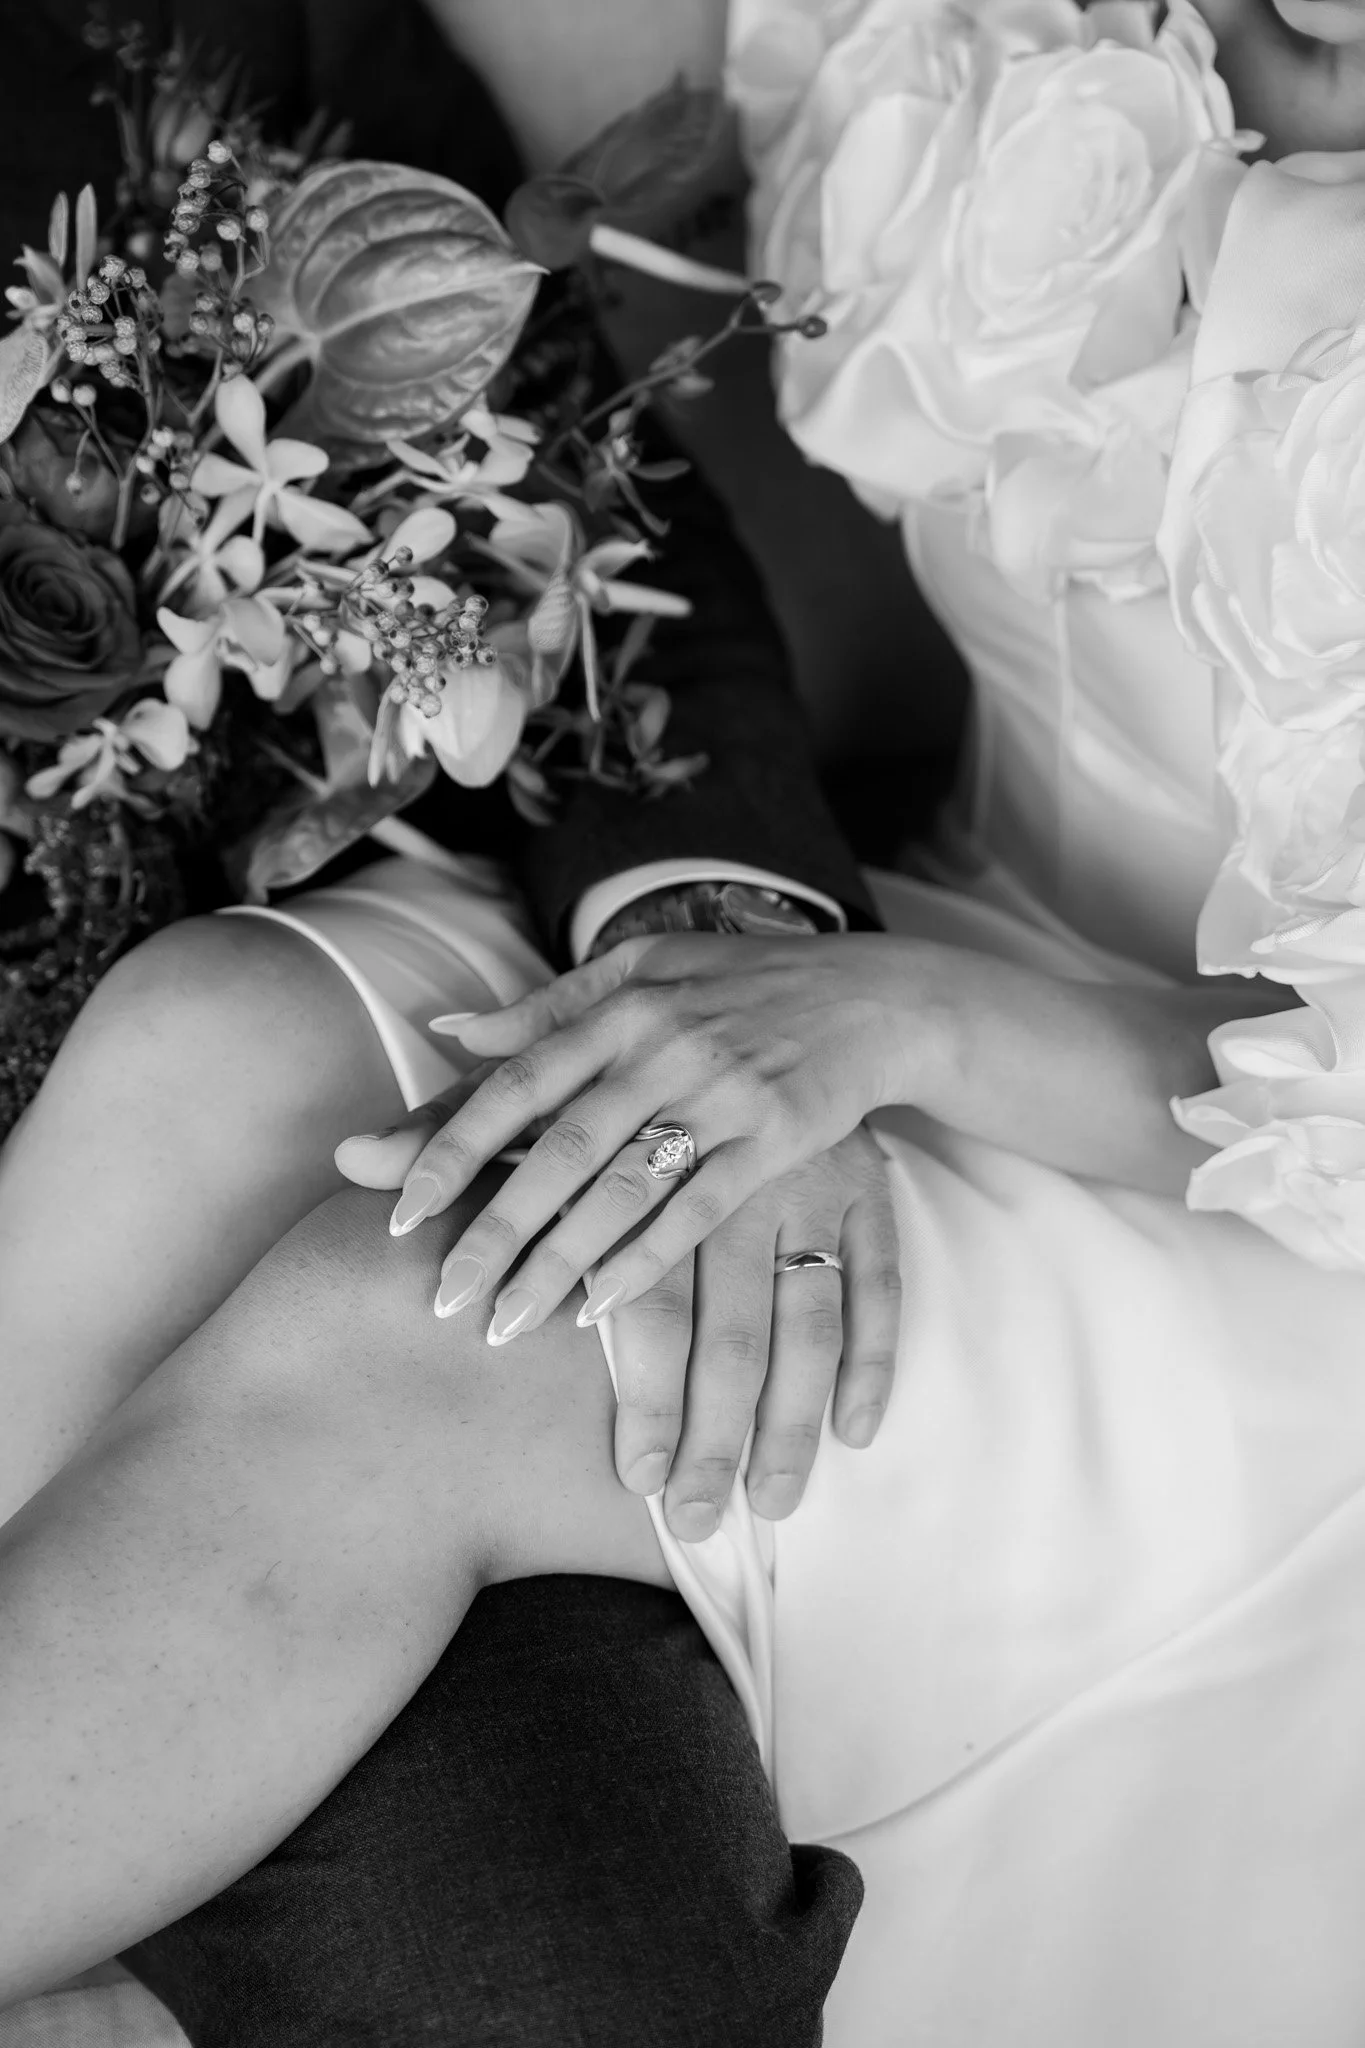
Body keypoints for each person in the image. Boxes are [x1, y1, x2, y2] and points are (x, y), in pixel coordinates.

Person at [10, 6, 1365, 2048]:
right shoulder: (1019, 28)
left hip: (1257, 1199)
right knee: (212, 1043)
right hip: (929, 916)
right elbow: (546, 283)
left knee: (435, 1304)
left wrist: (896, 1025)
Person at [0, 3, 878, 2042]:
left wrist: (732, 951)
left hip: (213, 1190)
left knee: (559, 1979)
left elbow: (586, 488)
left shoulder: (171, 33)